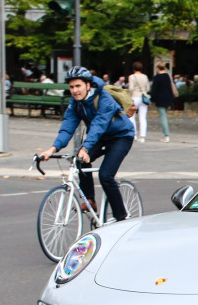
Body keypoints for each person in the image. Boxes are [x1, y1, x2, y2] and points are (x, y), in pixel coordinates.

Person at [34, 67, 136, 222]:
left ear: (88, 85)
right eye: (72, 87)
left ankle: (121, 218)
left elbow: (98, 126)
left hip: (120, 136)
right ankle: (90, 200)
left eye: (78, 86)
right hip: (100, 137)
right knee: (80, 162)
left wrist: (85, 148)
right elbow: (67, 128)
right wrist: (51, 149)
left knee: (105, 175)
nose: (75, 91)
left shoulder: (104, 99)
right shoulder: (75, 103)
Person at [150, 62, 175, 141]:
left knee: (163, 117)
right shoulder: (167, 76)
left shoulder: (157, 77)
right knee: (164, 115)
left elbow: (154, 90)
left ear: (157, 68)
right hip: (167, 98)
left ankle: (166, 135)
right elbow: (170, 88)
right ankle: (165, 135)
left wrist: (152, 100)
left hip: (160, 99)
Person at [126, 62, 151, 142]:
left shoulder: (132, 77)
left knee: (132, 116)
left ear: (133, 68)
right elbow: (148, 88)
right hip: (143, 97)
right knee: (143, 117)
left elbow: (131, 88)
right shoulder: (145, 76)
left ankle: (134, 134)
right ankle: (142, 136)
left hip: (134, 97)